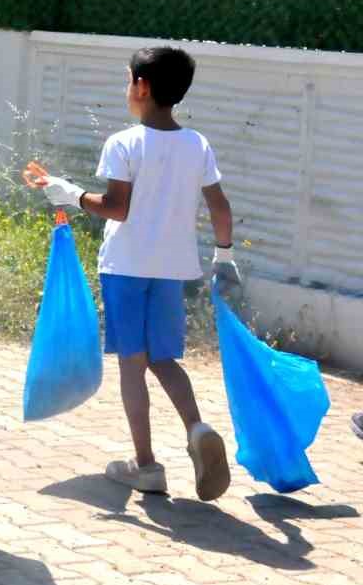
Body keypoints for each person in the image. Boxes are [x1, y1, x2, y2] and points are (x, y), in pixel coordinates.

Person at [26, 46, 236, 502]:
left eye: (128, 80)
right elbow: (220, 207)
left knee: (132, 365)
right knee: (164, 359)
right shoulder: (197, 144)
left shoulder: (124, 143)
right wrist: (224, 256)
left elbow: (117, 208)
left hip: (125, 267)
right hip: (172, 270)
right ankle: (197, 426)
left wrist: (70, 193)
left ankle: (145, 466)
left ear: (141, 87)